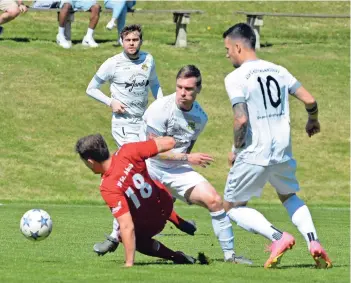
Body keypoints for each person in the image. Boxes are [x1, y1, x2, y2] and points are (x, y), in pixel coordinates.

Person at [222, 23, 332, 269]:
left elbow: (241, 118)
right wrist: (313, 120)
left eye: (227, 48)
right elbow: (310, 100)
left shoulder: (235, 77)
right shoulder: (279, 70)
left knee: (232, 207)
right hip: (282, 150)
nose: (227, 53)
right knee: (289, 196)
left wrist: (236, 151)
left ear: (238, 46)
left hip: (254, 152)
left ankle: (278, 237)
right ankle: (314, 241)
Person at [87, 24, 195, 256]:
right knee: (127, 175)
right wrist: (110, 102)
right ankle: (115, 235)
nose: (132, 43)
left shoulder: (148, 60)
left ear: (141, 41)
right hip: (123, 126)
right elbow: (91, 88)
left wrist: (161, 106)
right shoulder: (112, 63)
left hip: (144, 123)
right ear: (121, 41)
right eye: (128, 40)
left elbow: (155, 85)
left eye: (136, 39)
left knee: (150, 173)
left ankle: (171, 215)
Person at [139, 65, 252, 265]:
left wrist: (184, 166)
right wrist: (187, 159)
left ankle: (230, 257)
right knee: (135, 211)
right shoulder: (160, 108)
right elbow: (154, 152)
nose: (182, 93)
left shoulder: (201, 117)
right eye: (179, 87)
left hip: (177, 169)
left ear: (198, 89)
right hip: (150, 168)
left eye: (189, 89)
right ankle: (114, 237)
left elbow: (187, 148)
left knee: (216, 201)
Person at [75, 134, 196, 267]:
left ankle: (174, 256)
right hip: (166, 201)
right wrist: (155, 141)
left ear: (90, 161)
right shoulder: (128, 150)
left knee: (123, 234)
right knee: (152, 181)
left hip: (152, 223)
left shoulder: (108, 186)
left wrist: (129, 263)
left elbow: (127, 225)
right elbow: (170, 142)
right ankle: (177, 220)